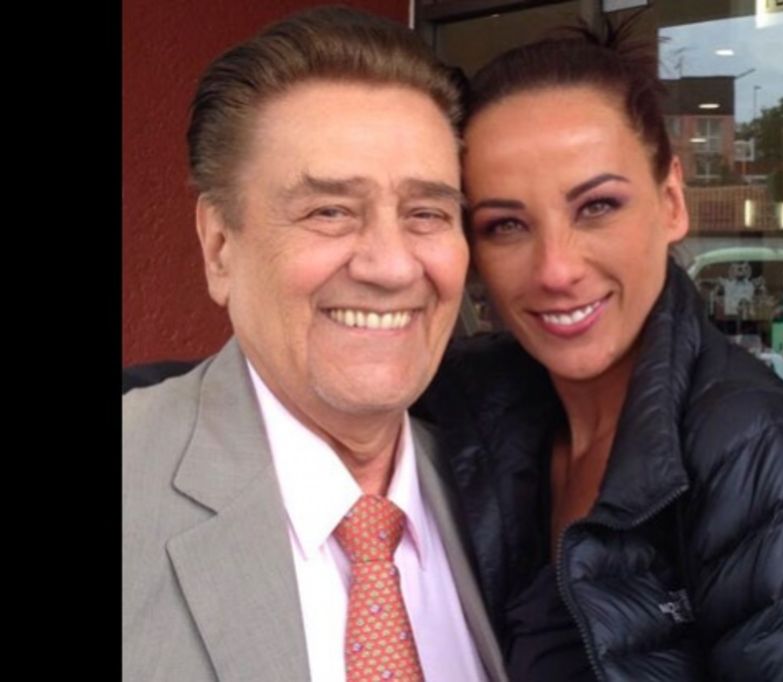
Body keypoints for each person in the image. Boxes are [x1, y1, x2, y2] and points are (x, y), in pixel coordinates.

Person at [417, 24, 783, 681]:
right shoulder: (470, 414)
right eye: (506, 225)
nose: (556, 270)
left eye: (597, 206)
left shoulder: (761, 459)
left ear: (672, 202)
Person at [122, 7, 506, 681]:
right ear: (219, 246)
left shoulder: (509, 488)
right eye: (329, 211)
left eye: (426, 213)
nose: (392, 266)